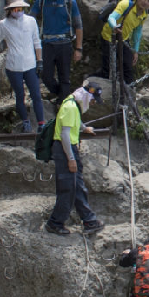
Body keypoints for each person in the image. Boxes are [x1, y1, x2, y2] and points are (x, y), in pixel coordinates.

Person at [0, 0, 45, 132]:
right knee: (19, 95)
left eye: (20, 9)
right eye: (15, 9)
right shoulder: (4, 24)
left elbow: (37, 42)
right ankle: (25, 122)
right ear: (10, 10)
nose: (18, 11)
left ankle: (41, 124)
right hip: (13, 65)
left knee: (36, 94)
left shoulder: (31, 21)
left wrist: (40, 61)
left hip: (30, 64)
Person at [46, 79, 105, 235]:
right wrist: (71, 159)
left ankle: (89, 220)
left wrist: (84, 128)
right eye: (93, 100)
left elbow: (75, 123)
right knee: (68, 188)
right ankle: (55, 223)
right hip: (65, 150)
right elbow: (65, 134)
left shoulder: (73, 104)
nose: (93, 104)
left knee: (77, 186)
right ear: (87, 96)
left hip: (68, 149)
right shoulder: (71, 107)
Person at [34, 0, 83, 99]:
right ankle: (59, 94)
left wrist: (78, 48)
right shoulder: (41, 2)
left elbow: (78, 25)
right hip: (47, 44)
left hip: (65, 44)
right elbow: (30, 19)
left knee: (64, 77)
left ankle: (63, 102)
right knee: (46, 76)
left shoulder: (70, 2)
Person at [101, 0, 149, 85]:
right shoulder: (125, 4)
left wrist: (135, 51)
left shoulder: (144, 14)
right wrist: (115, 27)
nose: (145, 2)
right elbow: (112, 17)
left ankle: (130, 91)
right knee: (107, 67)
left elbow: (137, 32)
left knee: (128, 67)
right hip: (108, 37)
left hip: (123, 39)